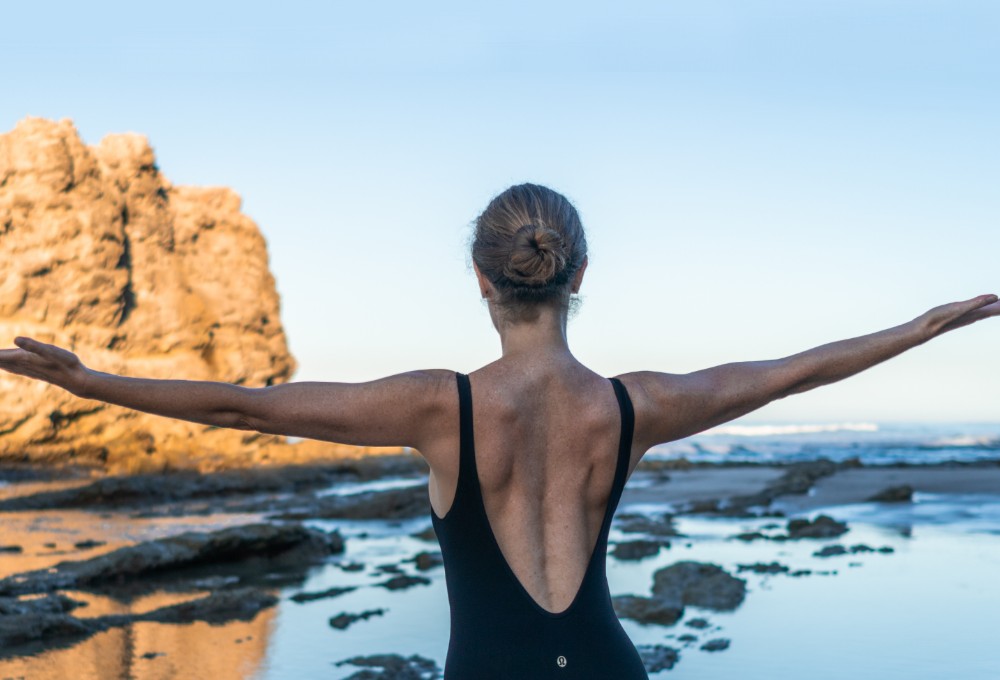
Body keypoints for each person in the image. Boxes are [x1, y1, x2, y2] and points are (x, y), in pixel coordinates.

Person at [1, 182, 997, 679]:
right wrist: (921, 325)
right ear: (579, 276)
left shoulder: (440, 405)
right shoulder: (634, 402)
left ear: (480, 278)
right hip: (611, 666)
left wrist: (93, 381)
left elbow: (243, 406)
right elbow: (789, 373)